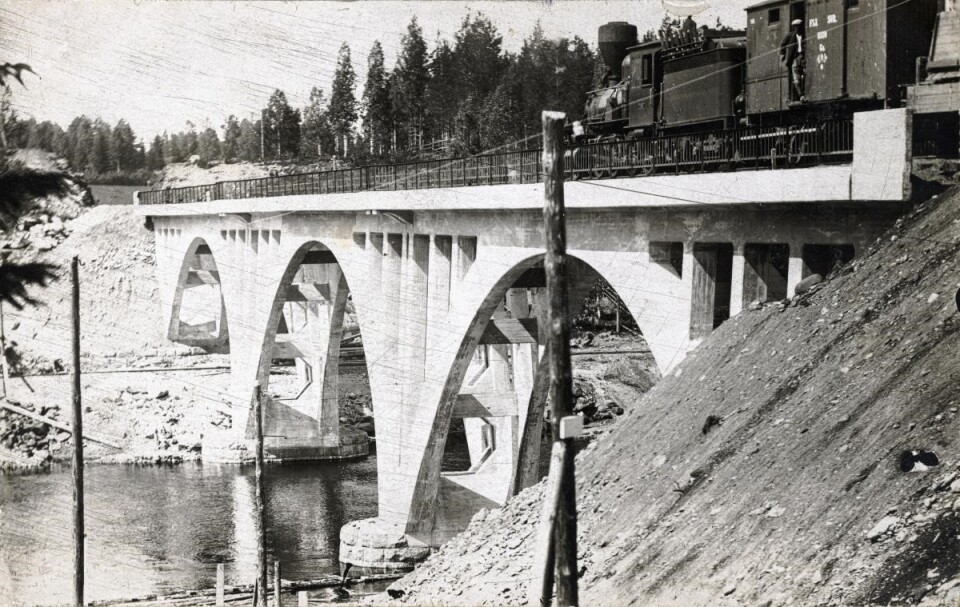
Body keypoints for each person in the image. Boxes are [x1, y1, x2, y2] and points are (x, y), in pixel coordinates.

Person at [780, 18, 806, 102]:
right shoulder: (790, 35)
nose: (797, 28)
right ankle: (801, 95)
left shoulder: (804, 35)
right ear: (794, 27)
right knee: (796, 78)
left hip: (803, 57)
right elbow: (783, 44)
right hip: (795, 58)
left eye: (799, 26)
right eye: (796, 27)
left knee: (805, 75)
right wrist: (783, 54)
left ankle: (803, 93)